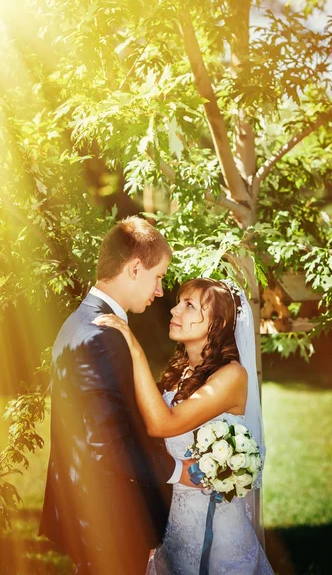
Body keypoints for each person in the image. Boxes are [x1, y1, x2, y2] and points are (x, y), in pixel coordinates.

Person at [39, 216, 194, 575]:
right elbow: (106, 443)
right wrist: (176, 472)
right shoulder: (102, 335)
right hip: (111, 518)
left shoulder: (78, 321)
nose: (159, 291)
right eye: (157, 277)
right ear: (135, 267)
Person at [94, 277, 275, 574]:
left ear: (218, 323)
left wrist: (134, 349)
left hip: (217, 537)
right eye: (179, 302)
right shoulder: (181, 371)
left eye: (189, 305)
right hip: (172, 526)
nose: (174, 311)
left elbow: (162, 424)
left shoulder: (232, 376)